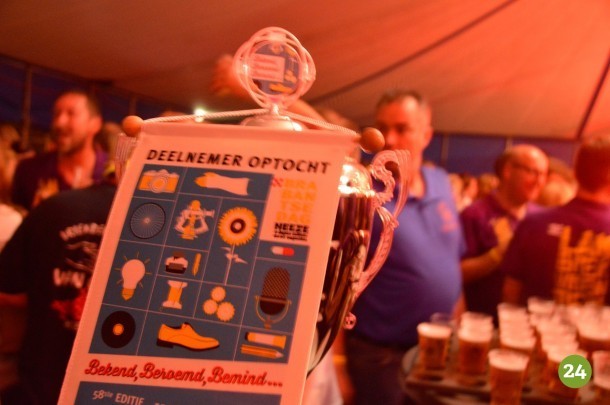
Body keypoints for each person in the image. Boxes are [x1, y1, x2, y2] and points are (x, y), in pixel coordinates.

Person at [344, 90, 465, 405]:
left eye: (402, 128)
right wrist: (337, 365)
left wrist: (458, 328)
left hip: (436, 351)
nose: (389, 139)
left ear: (426, 135)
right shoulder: (364, 192)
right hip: (381, 357)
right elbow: (335, 283)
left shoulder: (440, 182)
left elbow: (451, 260)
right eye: (382, 127)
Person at [0, 170, 117, 404]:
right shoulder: (157, 222)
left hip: (44, 376)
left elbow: (10, 291)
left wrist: (50, 289)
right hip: (112, 385)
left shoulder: (53, 207)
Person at [502, 134, 610, 306]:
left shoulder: (533, 223)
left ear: (575, 172)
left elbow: (510, 292)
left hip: (533, 322)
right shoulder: (533, 222)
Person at [460, 145, 549, 319]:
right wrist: (499, 254)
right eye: (533, 172)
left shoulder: (539, 217)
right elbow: (456, 273)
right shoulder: (475, 215)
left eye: (544, 174)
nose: (539, 181)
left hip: (527, 322)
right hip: (484, 321)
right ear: (508, 171)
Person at [11, 89, 107, 211]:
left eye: (71, 114)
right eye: (56, 114)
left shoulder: (112, 173)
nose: (59, 123)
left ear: (95, 124)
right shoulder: (30, 169)